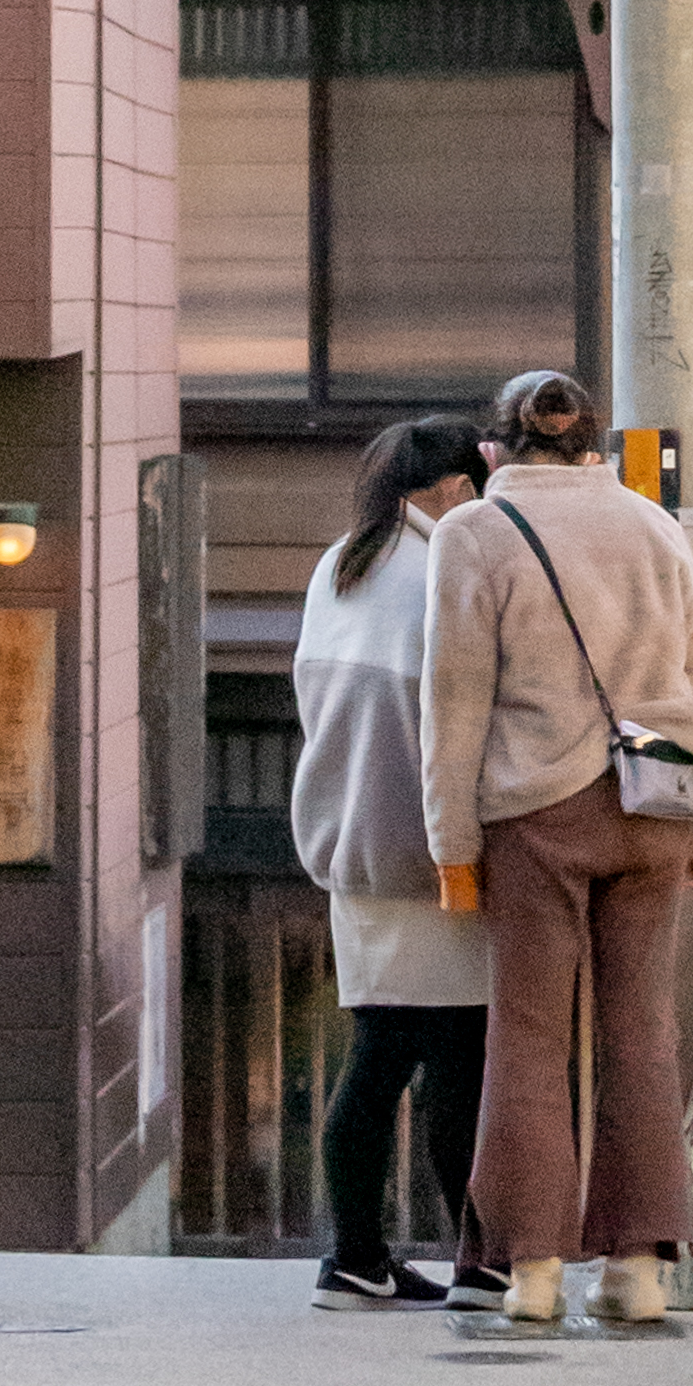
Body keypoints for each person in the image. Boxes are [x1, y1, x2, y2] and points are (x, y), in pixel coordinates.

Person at [422, 366, 693, 1347]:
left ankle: (530, 1274)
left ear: (496, 448)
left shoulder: (473, 532)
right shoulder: (651, 523)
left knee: (528, 1038)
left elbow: (453, 699)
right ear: (592, 443)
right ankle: (640, 1271)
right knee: (640, 1029)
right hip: (663, 802)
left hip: (539, 806)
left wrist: (453, 844)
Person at [290, 412, 496, 1306]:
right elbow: (459, 722)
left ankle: (356, 1255)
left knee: (375, 1060)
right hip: (429, 851)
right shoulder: (440, 570)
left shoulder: (340, 567)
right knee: (461, 1061)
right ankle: (479, 1263)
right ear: (451, 489)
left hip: (348, 848)